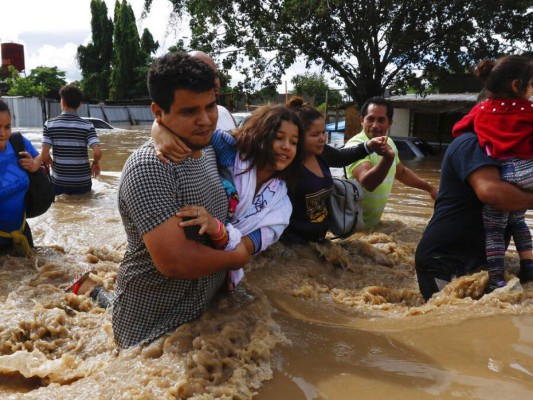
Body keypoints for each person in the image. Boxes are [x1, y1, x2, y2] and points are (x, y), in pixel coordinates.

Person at [111, 52, 253, 349]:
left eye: (211, 106)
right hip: (151, 329)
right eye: (189, 112)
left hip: (202, 317)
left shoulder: (212, 147)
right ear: (158, 112)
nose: (205, 120)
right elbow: (175, 261)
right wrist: (237, 257)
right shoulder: (150, 167)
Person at [152, 101, 305, 288]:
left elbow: (242, 251)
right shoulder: (230, 152)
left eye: (294, 142)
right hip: (182, 245)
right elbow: (189, 134)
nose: (286, 147)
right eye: (279, 138)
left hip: (218, 266)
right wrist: (158, 131)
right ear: (260, 135)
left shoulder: (280, 207)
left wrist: (216, 228)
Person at [451, 55, 533, 292]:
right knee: (518, 220)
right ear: (517, 85)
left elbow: (458, 129)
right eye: (531, 85)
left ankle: (496, 278)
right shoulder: (528, 110)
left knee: (496, 229)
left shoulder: (483, 109)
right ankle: (528, 265)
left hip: (507, 175)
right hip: (530, 171)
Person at [280, 96, 389, 244]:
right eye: (315, 134)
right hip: (294, 244)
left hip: (319, 240)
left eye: (323, 132)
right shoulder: (286, 165)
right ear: (297, 136)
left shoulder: (322, 153)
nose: (322, 138)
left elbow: (342, 157)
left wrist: (368, 146)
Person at [344, 97, 438, 228]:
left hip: (371, 226)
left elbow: (402, 173)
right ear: (361, 120)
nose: (375, 125)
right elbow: (368, 183)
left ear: (389, 123)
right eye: (370, 119)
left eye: (381, 120)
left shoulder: (389, 143)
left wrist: (430, 189)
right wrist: (388, 158)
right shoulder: (355, 146)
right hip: (351, 228)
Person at [41, 84, 102, 195]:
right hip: (82, 182)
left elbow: (44, 155)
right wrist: (95, 163)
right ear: (79, 105)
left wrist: (53, 166)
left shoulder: (50, 124)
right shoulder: (87, 126)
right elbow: (97, 152)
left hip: (59, 181)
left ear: (62, 102)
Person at [0, 100, 42, 257]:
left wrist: (33, 165)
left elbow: (39, 158)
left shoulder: (18, 143)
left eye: (7, 127)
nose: (3, 133)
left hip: (22, 231)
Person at [190, 50, 237, 133]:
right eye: (205, 76)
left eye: (216, 75)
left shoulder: (224, 112)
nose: (215, 82)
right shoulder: (177, 125)